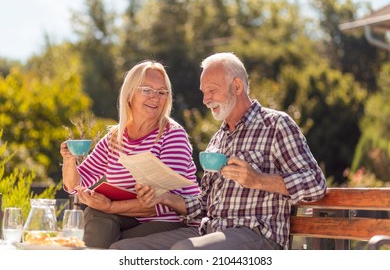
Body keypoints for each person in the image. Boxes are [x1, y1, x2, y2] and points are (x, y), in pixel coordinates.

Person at [110, 52, 327, 250]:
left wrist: (259, 180)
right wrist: (164, 197)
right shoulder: (219, 138)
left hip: (258, 237)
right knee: (122, 250)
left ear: (237, 86)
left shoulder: (276, 124)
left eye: (212, 90)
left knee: (185, 253)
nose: (205, 100)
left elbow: (316, 184)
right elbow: (204, 203)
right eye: (204, 92)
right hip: (210, 232)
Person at [60, 60, 200, 249]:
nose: (155, 97)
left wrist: (108, 206)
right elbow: (74, 184)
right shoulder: (115, 137)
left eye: (161, 92)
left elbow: (157, 203)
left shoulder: (172, 135)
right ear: (130, 95)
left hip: (169, 221)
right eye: (147, 90)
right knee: (96, 215)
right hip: (128, 218)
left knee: (111, 238)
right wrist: (69, 160)